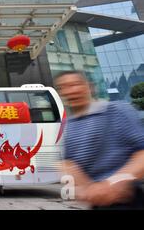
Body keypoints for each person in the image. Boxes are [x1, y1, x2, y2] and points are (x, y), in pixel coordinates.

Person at [55, 70, 144, 209]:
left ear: (89, 87)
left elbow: (142, 154)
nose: (70, 91)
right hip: (97, 203)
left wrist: (113, 184)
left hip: (129, 200)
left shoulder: (116, 111)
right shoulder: (69, 125)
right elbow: (68, 163)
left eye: (75, 84)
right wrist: (87, 189)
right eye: (63, 87)